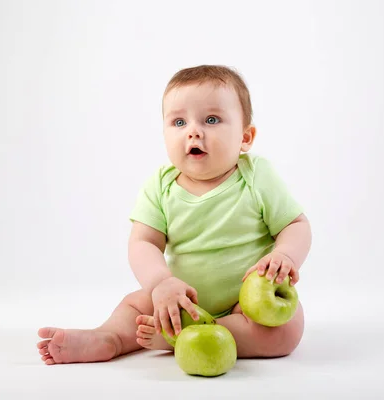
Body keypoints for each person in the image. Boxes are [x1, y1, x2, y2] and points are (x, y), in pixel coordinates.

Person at [37, 65, 312, 364]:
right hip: (179, 299)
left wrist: (285, 255)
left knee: (286, 330)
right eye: (179, 122)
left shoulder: (256, 176)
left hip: (244, 305)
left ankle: (186, 336)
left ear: (245, 137)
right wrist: (160, 283)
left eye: (211, 119)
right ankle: (110, 338)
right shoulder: (161, 185)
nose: (194, 131)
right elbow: (143, 243)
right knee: (135, 306)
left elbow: (295, 225)